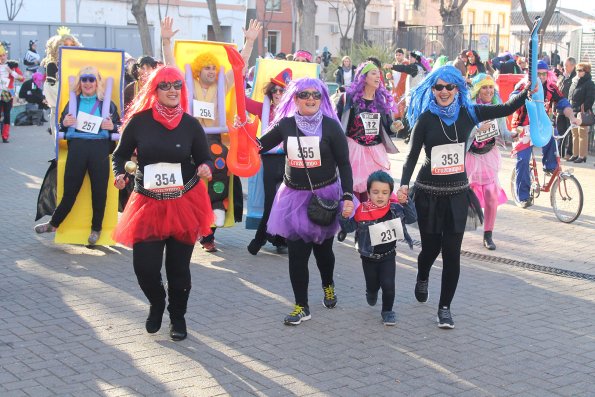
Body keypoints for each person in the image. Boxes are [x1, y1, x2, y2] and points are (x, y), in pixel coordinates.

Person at [399, 65, 532, 329]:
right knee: (430, 250)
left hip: (457, 194)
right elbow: (412, 157)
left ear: (458, 88)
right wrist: (403, 185)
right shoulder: (426, 119)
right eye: (439, 87)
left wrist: (527, 91)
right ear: (432, 90)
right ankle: (423, 273)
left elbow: (505, 109)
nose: (444, 91)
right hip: (429, 192)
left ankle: (444, 308)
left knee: (451, 253)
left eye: (450, 86)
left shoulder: (469, 113)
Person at [112, 66, 214, 341]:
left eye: (177, 86)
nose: (172, 91)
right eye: (166, 86)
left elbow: (204, 157)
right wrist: (119, 174)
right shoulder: (140, 122)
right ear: (155, 90)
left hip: (184, 202)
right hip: (148, 203)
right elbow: (119, 155)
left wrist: (205, 167)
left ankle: (177, 318)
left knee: (179, 270)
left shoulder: (191, 124)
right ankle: (157, 302)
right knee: (145, 268)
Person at [258, 77, 354, 325]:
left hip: (326, 196)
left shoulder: (331, 127)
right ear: (295, 99)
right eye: (304, 95)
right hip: (293, 198)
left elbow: (344, 163)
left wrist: (347, 196)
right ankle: (301, 306)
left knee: (324, 253)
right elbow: (259, 145)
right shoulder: (286, 125)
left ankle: (328, 285)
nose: (310, 99)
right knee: (297, 255)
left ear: (322, 99)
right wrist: (240, 134)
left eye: (315, 95)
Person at [186, 19, 262, 252]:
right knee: (191, 184)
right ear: (199, 70)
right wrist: (166, 41)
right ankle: (195, 229)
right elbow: (169, 64)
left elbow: (239, 64)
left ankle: (211, 229)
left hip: (215, 140)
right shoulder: (187, 85)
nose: (211, 71)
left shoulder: (222, 84)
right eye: (207, 67)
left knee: (219, 173)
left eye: (213, 68)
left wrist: (248, 42)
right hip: (190, 140)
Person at [34, 66, 121, 244]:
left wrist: (112, 127)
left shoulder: (107, 103)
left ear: (97, 82)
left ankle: (96, 229)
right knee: (70, 191)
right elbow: (61, 126)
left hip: (100, 149)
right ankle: (54, 223)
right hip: (78, 148)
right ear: (80, 83)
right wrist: (64, 123)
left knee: (99, 192)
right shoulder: (73, 102)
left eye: (91, 79)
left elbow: (120, 126)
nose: (88, 83)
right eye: (84, 79)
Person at [339, 170, 416, 326]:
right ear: (368, 193)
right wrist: (344, 216)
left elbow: (413, 218)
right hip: (368, 257)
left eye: (384, 192)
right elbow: (348, 228)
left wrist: (406, 202)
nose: (380, 196)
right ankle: (371, 291)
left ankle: (387, 311)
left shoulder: (394, 209)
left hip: (388, 255)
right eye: (375, 192)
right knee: (372, 284)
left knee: (388, 285)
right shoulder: (362, 210)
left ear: (389, 194)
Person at [510, 60, 579, 207]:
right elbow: (512, 100)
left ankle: (549, 166)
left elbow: (563, 103)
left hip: (541, 126)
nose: (541, 77)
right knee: (523, 161)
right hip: (523, 127)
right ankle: (522, 197)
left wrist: (573, 118)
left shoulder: (551, 87)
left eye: (544, 74)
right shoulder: (523, 86)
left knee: (553, 132)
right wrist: (524, 94)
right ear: (531, 75)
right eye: (538, 74)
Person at [245, 68, 292, 255]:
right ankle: (261, 238)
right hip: (270, 159)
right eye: (275, 90)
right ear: (270, 93)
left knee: (286, 202)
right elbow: (242, 101)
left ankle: (278, 239)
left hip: (290, 160)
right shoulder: (263, 109)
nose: (278, 94)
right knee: (272, 201)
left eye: (282, 90)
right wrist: (239, 76)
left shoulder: (296, 110)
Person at [337, 61, 398, 202]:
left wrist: (395, 127)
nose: (378, 76)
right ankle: (357, 221)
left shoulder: (380, 100)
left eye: (379, 73)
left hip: (376, 152)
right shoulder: (349, 99)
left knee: (378, 190)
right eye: (373, 73)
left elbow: (388, 128)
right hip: (355, 151)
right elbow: (337, 123)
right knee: (355, 192)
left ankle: (376, 221)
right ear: (364, 77)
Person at [465, 74, 512, 250]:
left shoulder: (497, 108)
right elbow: (462, 133)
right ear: (478, 90)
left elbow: (503, 132)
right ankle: (454, 230)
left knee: (491, 194)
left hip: (489, 156)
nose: (488, 91)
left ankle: (488, 234)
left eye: (491, 87)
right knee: (467, 196)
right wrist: (476, 129)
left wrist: (513, 135)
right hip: (471, 157)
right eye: (484, 87)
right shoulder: (469, 108)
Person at [41, 28, 82, 136]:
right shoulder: (53, 65)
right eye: (65, 45)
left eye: (71, 45)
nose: (69, 48)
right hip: (60, 110)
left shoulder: (79, 65)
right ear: (57, 47)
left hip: (79, 109)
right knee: (60, 145)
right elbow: (52, 92)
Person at [567, 62, 595, 163]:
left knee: (582, 134)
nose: (578, 72)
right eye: (577, 70)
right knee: (574, 133)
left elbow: (590, 99)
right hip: (573, 111)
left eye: (580, 70)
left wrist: (581, 109)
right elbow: (570, 96)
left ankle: (582, 156)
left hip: (582, 112)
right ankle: (575, 154)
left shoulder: (589, 83)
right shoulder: (575, 81)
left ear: (586, 71)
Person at [0, 45, 25, 143]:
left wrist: (11, 72)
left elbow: (22, 78)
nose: (2, 57)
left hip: (7, 93)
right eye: (0, 56)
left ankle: (5, 136)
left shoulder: (12, 66)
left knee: (7, 115)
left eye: (3, 55)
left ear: (6, 55)